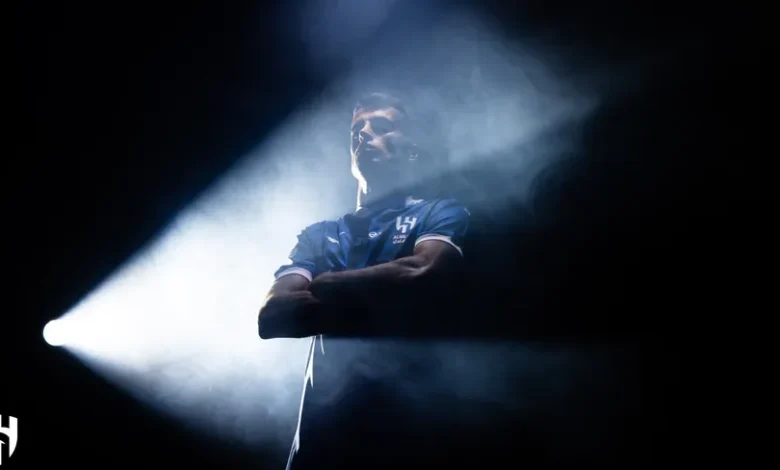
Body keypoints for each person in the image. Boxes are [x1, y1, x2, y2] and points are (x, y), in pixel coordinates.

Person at [257, 91, 470, 469]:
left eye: (382, 126)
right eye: (358, 129)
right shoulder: (319, 234)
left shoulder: (439, 212)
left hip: (407, 434)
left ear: (412, 147)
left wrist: (326, 284)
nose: (364, 134)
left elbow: (426, 272)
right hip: (320, 448)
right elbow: (271, 316)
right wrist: (384, 292)